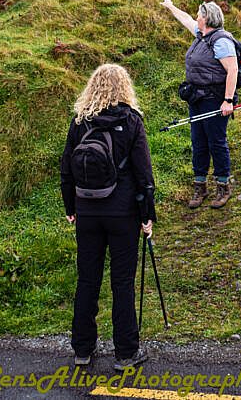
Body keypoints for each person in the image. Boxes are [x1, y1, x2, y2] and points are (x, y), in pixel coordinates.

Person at [61, 64, 155, 371]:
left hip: (87, 210)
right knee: (122, 281)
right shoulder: (131, 121)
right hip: (122, 212)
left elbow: (66, 169)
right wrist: (147, 216)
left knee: (87, 279)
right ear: (124, 87)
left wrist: (70, 208)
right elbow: (144, 175)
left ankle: (82, 350)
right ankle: (126, 352)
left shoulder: (79, 122)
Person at [160, 0, 238, 209]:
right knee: (198, 142)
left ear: (207, 18)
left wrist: (228, 101)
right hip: (197, 99)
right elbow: (185, 19)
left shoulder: (221, 41)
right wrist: (171, 6)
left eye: (199, 15)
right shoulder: (201, 35)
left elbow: (232, 70)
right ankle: (200, 186)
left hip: (215, 100)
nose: (196, 17)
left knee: (216, 142)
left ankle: (223, 186)